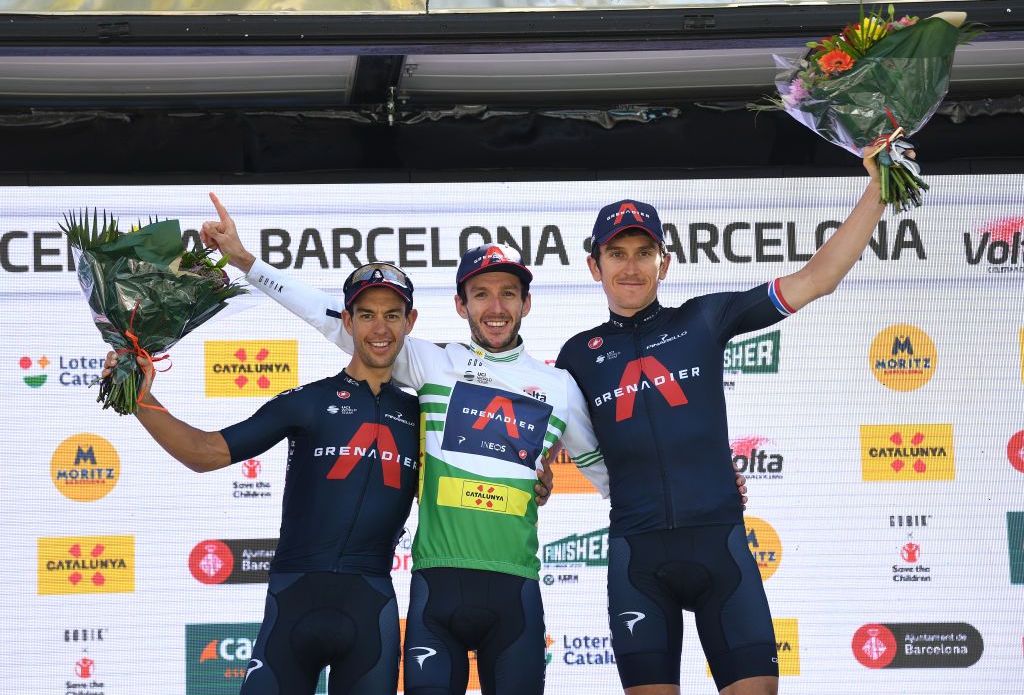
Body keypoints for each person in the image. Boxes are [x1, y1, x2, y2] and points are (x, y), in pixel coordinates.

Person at [200, 194, 611, 695]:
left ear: (527, 303)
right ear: (461, 305)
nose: (496, 307)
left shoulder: (560, 388)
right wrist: (246, 262)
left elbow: (611, 477)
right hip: (435, 588)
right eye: (481, 294)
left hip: (516, 589)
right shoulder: (432, 363)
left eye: (508, 293)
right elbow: (334, 318)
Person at [555, 156, 900, 695]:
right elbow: (543, 435)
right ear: (594, 266)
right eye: (616, 254)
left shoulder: (704, 319)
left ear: (663, 263)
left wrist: (879, 188)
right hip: (637, 560)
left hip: (722, 549)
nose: (630, 267)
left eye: (643, 253)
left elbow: (817, 278)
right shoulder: (576, 356)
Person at [104, 263, 421, 694]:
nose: (379, 328)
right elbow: (206, 453)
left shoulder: (423, 416)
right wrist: (141, 398)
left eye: (391, 315)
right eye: (366, 314)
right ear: (347, 321)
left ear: (410, 322)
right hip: (293, 605)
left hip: (371, 611)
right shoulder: (307, 401)